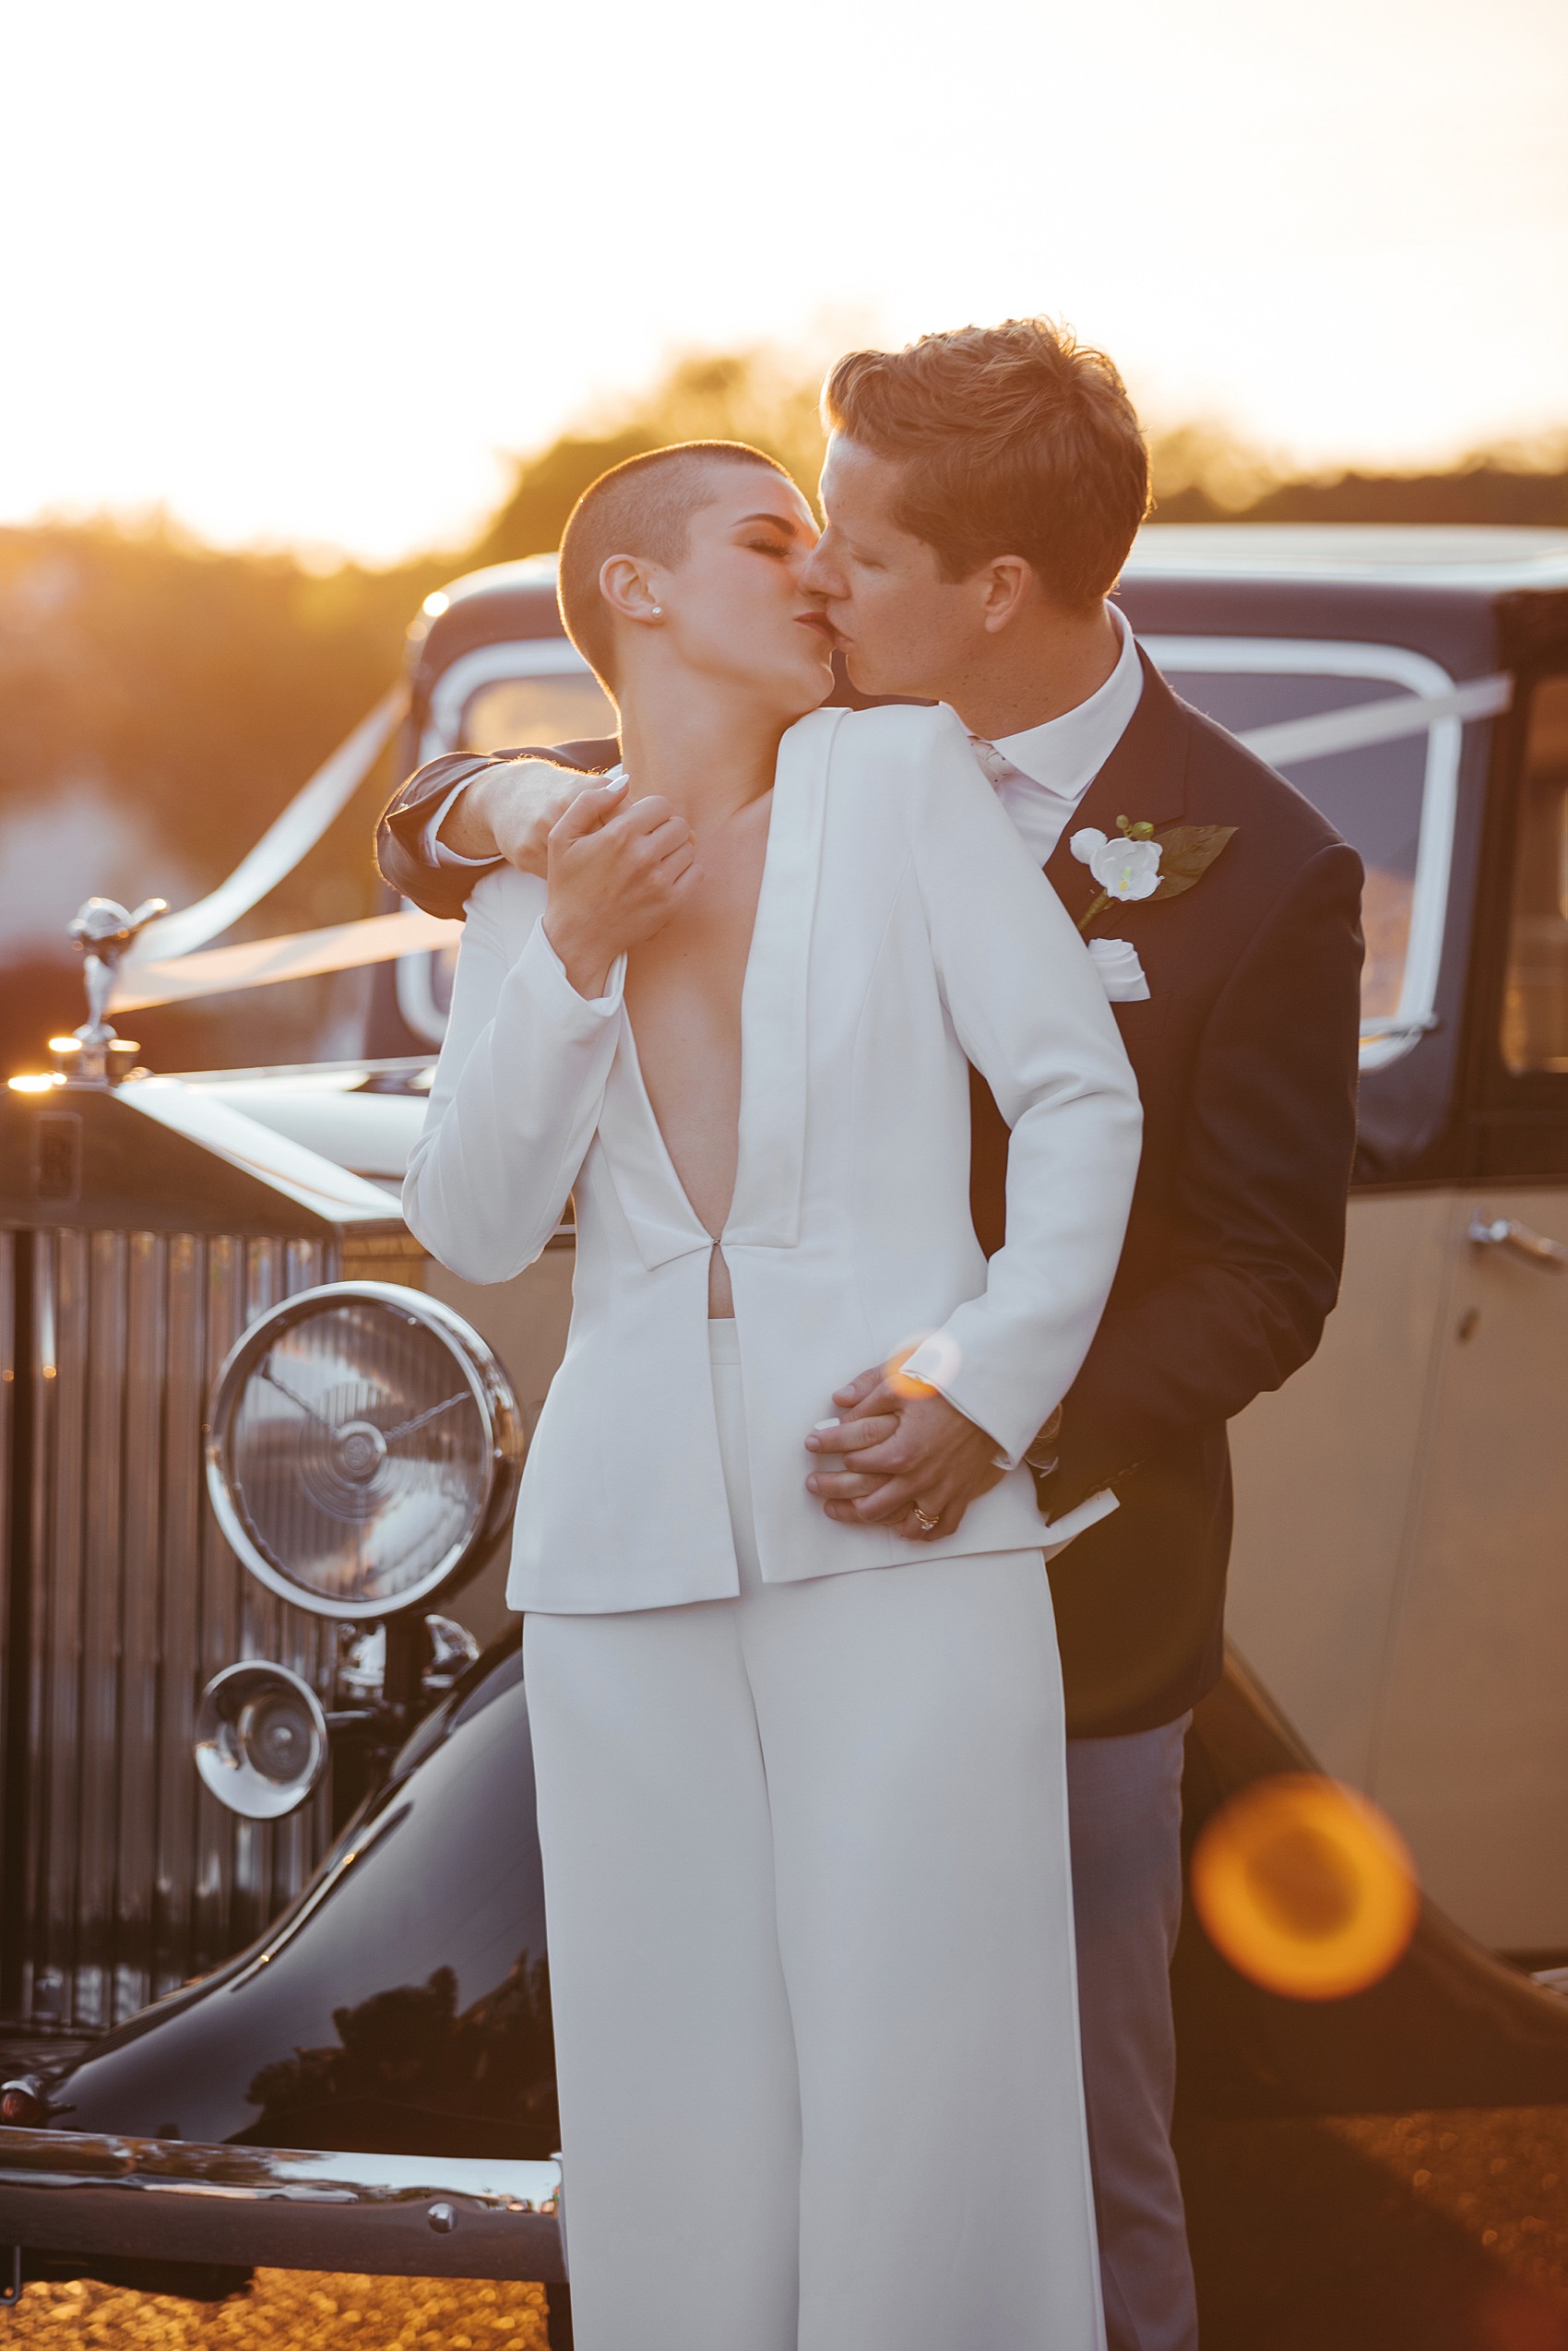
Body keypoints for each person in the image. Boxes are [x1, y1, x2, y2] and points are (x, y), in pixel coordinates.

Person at [381, 322, 1366, 2351]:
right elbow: (471, 1207)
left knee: (1013, 2123)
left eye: (847, 543)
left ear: (992, 590)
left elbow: (1249, 1248)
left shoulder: (1200, 844)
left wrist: (980, 1404)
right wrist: (526, 877)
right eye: (786, 533)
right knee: (672, 2102)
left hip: (1022, 1552)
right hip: (639, 1549)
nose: (824, 569)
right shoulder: (558, 857)